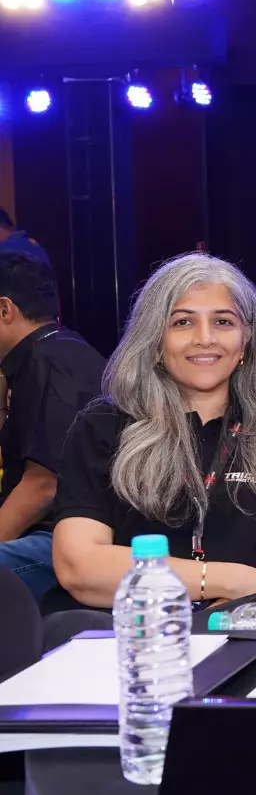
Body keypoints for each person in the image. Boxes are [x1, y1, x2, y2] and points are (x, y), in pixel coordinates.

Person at [52, 253, 256, 609]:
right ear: (155, 341)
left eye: (223, 322)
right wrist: (221, 580)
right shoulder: (103, 427)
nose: (205, 338)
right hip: (126, 629)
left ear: (246, 341)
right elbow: (78, 567)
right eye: (183, 322)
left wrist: (214, 619)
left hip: (239, 626)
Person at [0, 252, 106, 601]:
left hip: (65, 536)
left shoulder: (52, 360)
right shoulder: (48, 353)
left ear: (5, 309)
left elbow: (42, 487)